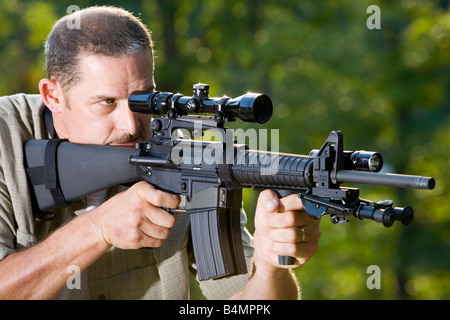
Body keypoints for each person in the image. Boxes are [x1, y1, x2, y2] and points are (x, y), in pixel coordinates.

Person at [0, 6, 320, 300]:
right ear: (53, 95)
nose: (130, 124)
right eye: (106, 102)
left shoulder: (183, 157)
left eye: (143, 101)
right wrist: (97, 228)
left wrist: (270, 265)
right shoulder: (6, 137)